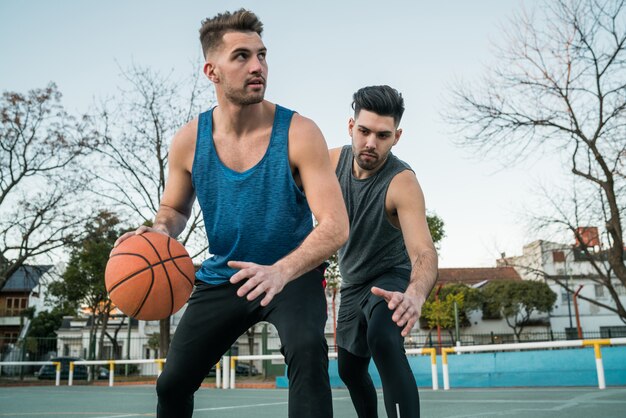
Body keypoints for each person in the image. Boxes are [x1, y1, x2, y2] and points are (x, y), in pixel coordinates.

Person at [114, 9, 348, 418]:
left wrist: (280, 271)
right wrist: (155, 233)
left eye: (262, 54)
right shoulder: (188, 141)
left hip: (290, 275)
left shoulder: (299, 132)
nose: (258, 66)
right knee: (171, 386)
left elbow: (335, 225)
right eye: (241, 56)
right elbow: (172, 210)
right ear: (212, 71)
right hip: (225, 275)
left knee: (309, 354)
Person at [329, 85, 438, 418]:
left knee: (383, 338)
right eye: (363, 131)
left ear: (397, 136)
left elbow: (424, 251)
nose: (370, 143)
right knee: (349, 369)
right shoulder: (330, 162)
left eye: (382, 135)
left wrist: (415, 295)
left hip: (390, 276)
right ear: (351, 126)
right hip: (352, 283)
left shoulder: (401, 182)